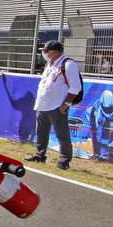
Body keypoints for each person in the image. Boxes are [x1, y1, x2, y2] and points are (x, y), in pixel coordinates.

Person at [27, 40, 82, 170]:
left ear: (56, 51)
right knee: (41, 132)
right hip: (42, 104)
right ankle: (40, 155)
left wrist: (66, 103)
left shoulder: (68, 64)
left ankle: (64, 161)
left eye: (47, 51)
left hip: (57, 106)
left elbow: (76, 87)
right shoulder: (49, 64)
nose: (45, 53)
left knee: (62, 135)